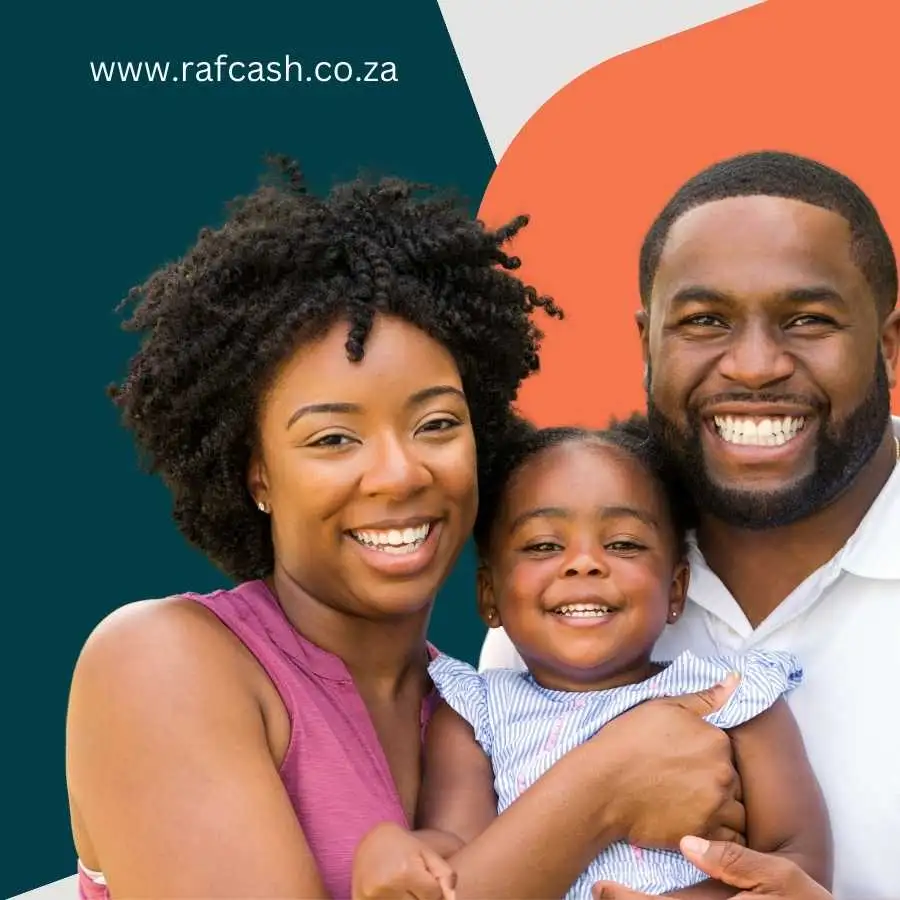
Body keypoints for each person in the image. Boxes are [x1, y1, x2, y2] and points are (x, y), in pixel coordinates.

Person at [66, 156, 748, 900]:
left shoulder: (486, 712)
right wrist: (603, 789)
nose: (399, 474)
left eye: (436, 424)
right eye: (333, 439)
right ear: (257, 474)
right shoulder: (162, 663)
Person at [479, 150, 900, 900]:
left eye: (808, 319)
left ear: (888, 345)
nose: (754, 365)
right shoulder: (569, 584)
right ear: (646, 343)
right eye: (705, 321)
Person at [410, 415, 831, 898]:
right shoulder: (472, 718)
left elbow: (800, 862)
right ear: (489, 595)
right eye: (544, 544)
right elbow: (461, 876)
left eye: (623, 544)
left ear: (675, 590)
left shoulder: (734, 702)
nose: (584, 562)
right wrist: (395, 848)